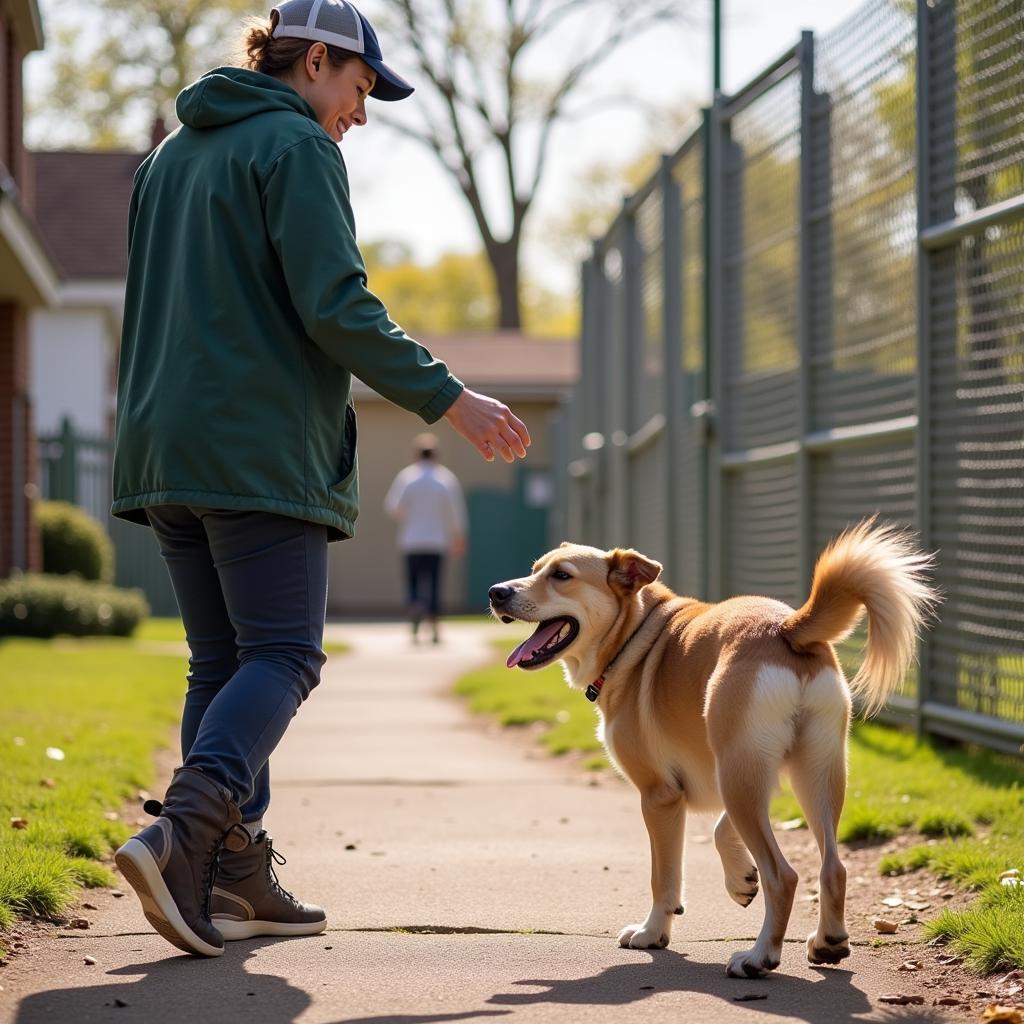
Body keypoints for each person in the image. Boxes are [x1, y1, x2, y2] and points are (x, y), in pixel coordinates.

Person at [109, 0, 530, 959]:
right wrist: (447, 397)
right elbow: (335, 307)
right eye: (360, 86)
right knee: (286, 655)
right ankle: (184, 834)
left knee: (219, 664)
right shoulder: (295, 149)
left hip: (165, 448)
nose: (363, 111)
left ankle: (230, 871)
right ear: (315, 62)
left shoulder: (168, 158)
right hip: (254, 449)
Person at [385, 433, 467, 644]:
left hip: (411, 541)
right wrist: (458, 536)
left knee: (413, 583)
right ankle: (435, 628)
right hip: (437, 542)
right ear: (436, 455)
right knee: (435, 584)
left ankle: (415, 614)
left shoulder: (407, 478)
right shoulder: (445, 479)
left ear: (416, 454)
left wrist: (408, 515)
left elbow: (393, 506)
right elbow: (456, 512)